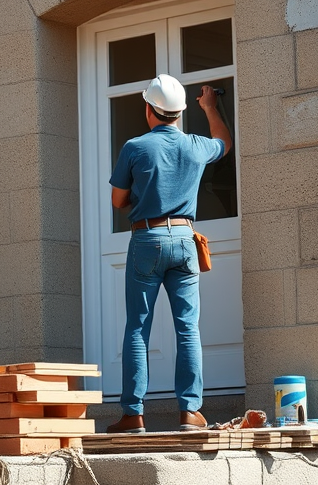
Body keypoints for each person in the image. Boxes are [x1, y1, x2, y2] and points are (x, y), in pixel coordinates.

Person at [105, 74, 233, 434]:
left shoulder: (135, 147)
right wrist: (210, 106)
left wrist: (144, 196)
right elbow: (223, 142)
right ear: (177, 114)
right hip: (185, 238)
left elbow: (118, 201)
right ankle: (191, 413)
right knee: (187, 329)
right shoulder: (195, 146)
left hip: (147, 239)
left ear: (149, 109)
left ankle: (133, 415)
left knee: (137, 329)